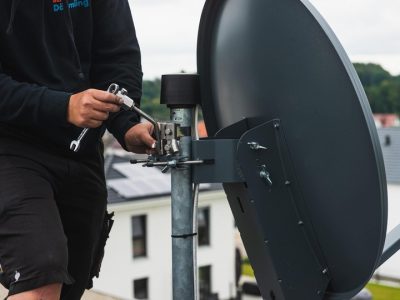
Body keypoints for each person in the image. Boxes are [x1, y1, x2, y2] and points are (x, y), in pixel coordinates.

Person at [0, 0, 155, 299]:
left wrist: (127, 125)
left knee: (71, 282)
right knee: (41, 269)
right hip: (10, 144)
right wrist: (63, 106)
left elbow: (116, 56)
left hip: (81, 147)